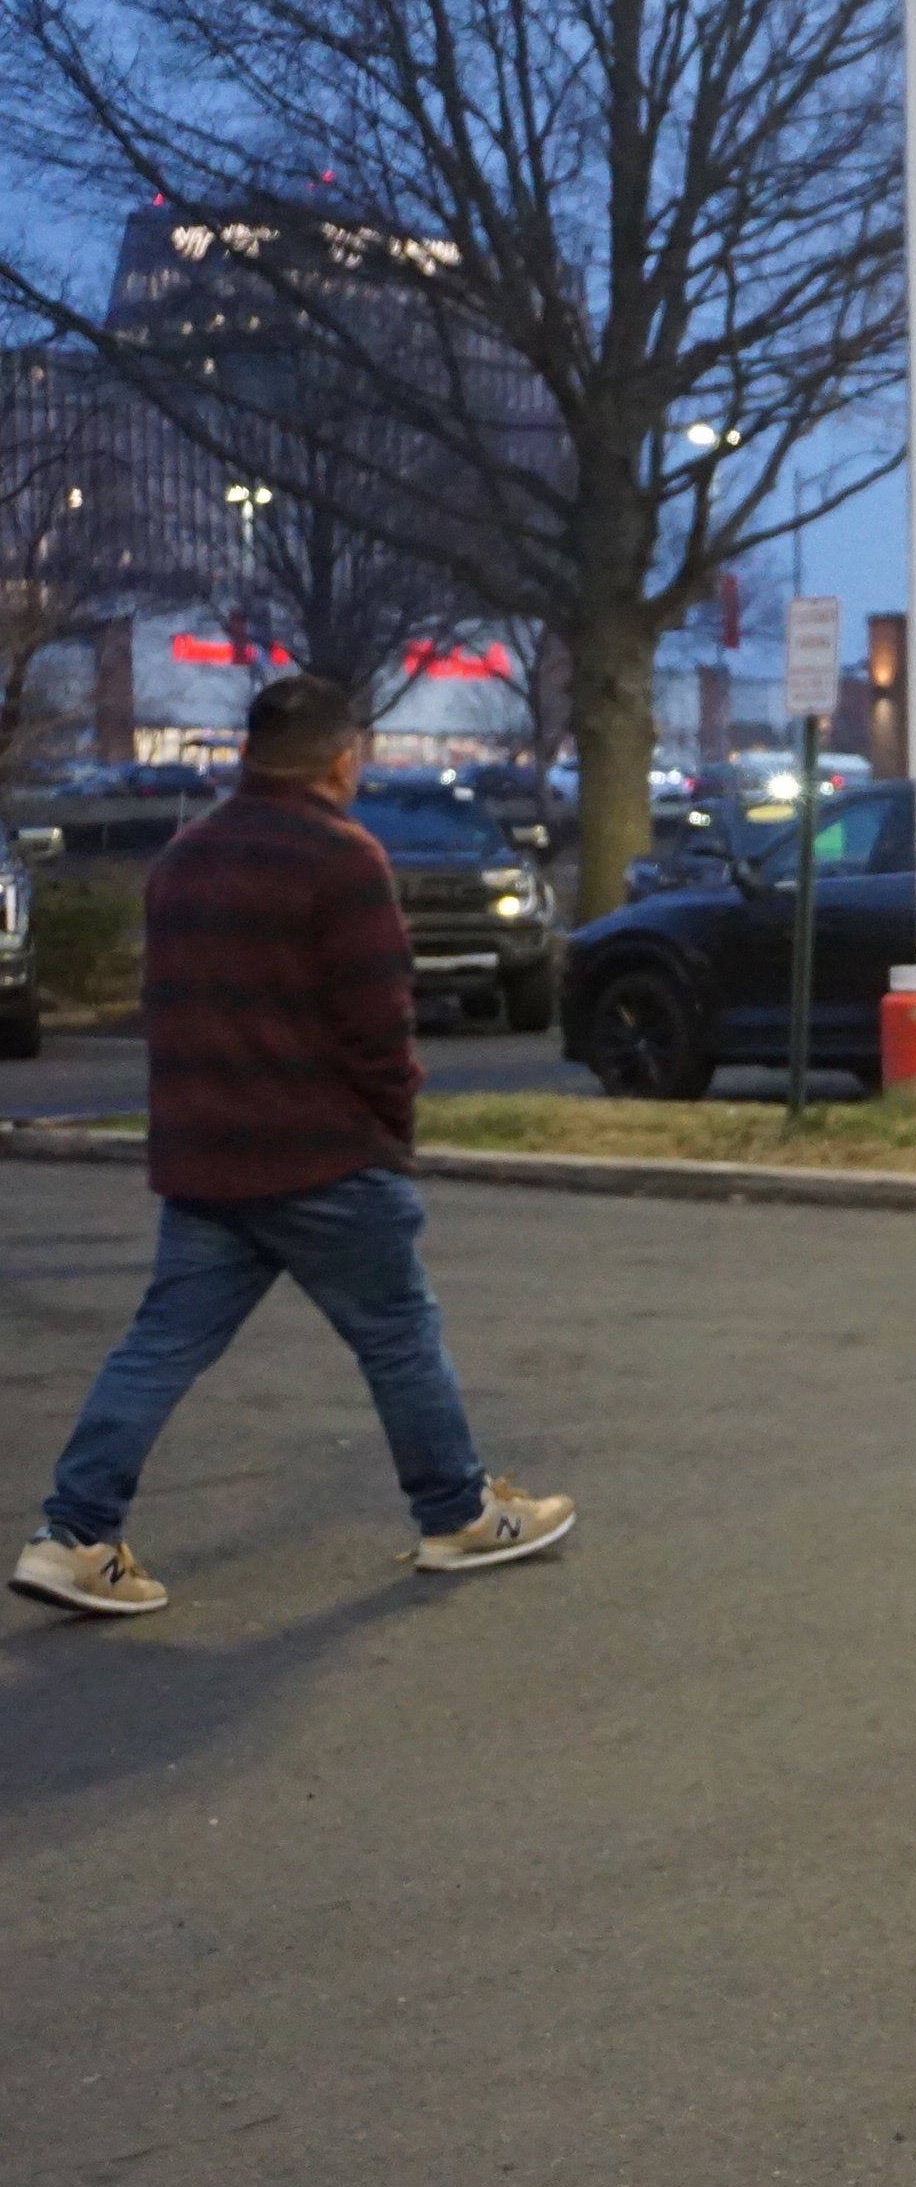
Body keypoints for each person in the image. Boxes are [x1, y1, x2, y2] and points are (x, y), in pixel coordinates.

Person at [13, 675, 574, 1619]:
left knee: (159, 1347)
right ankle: (457, 1512)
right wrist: (391, 1125)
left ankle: (73, 1534)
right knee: (398, 1335)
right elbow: (378, 1022)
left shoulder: (183, 859)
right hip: (322, 1155)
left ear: (249, 753)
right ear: (342, 760)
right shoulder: (343, 859)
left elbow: (168, 1012)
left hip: (205, 1160)